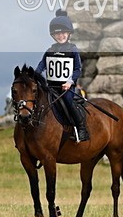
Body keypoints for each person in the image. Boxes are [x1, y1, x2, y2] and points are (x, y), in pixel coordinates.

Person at [35, 9, 88, 142]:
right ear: (53, 35)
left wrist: (69, 82)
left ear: (69, 33)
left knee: (68, 102)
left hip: (66, 88)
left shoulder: (73, 50)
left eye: (63, 33)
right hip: (51, 87)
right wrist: (34, 76)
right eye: (57, 34)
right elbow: (42, 65)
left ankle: (81, 129)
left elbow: (77, 69)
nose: (61, 36)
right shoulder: (50, 50)